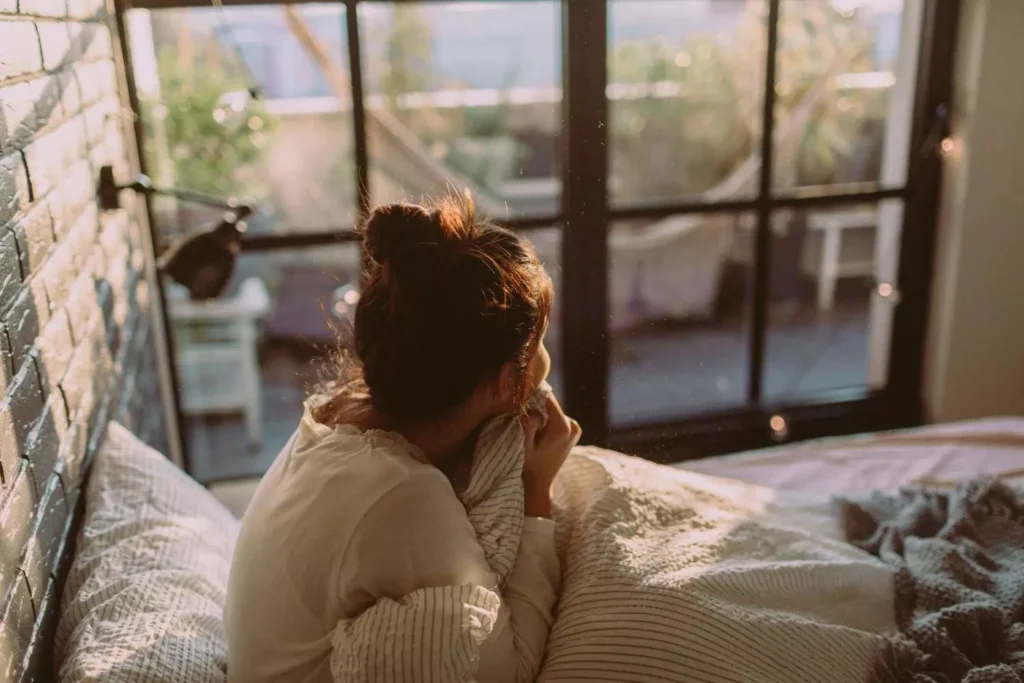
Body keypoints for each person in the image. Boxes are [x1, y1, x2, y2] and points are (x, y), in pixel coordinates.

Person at [225, 195, 582, 683]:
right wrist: (538, 489)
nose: (545, 355)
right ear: (509, 381)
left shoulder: (332, 415)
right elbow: (511, 669)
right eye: (538, 340)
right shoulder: (405, 497)